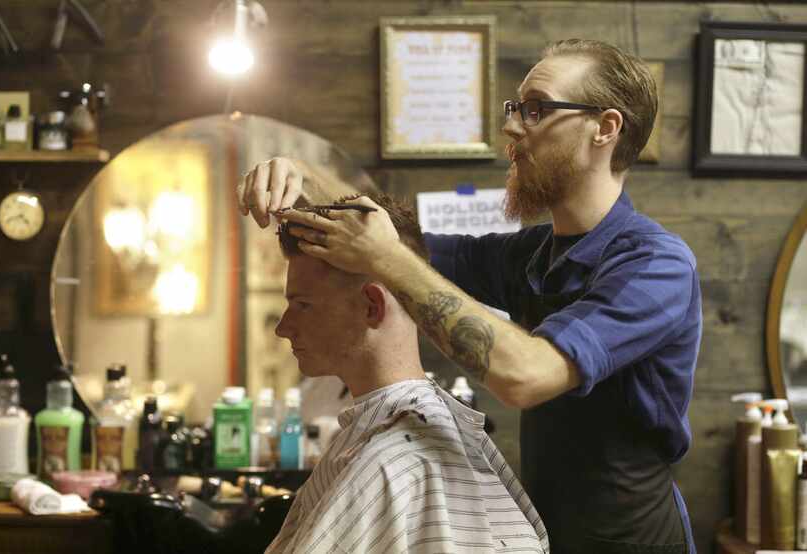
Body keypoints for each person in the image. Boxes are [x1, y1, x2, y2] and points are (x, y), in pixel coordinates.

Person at [239, 38, 701, 554]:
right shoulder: (529, 255)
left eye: (537, 110)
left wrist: (387, 259)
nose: (511, 127)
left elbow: (527, 375)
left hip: (634, 541)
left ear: (605, 128)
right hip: (548, 533)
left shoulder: (656, 265)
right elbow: (395, 244)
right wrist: (297, 177)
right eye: (516, 108)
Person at [264, 194, 549, 553]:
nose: (283, 328)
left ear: (372, 306)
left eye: (302, 304)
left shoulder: (393, 462)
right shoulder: (386, 440)